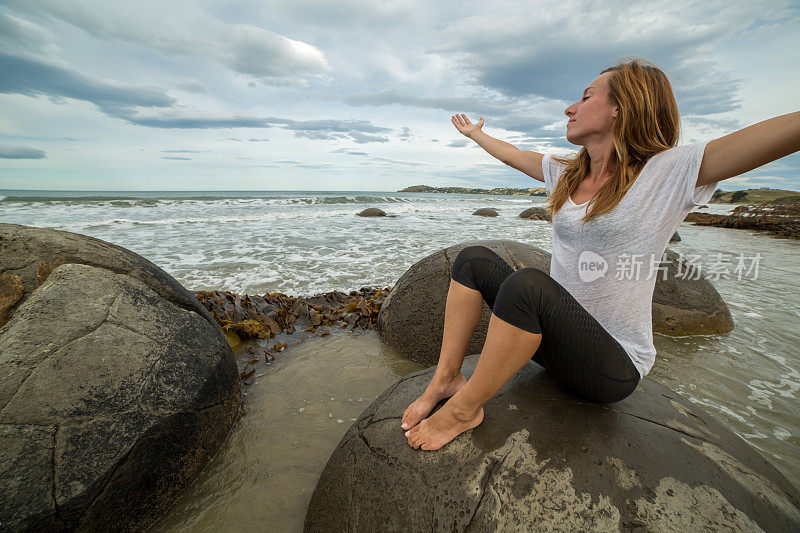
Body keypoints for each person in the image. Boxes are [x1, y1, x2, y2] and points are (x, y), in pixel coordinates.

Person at [402, 56, 800, 451]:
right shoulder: (569, 172)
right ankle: (447, 379)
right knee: (474, 259)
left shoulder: (668, 172)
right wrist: (475, 134)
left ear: (620, 109)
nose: (569, 108)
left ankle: (463, 411)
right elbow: (511, 154)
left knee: (528, 285)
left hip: (611, 367)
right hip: (554, 345)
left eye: (586, 97)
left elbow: (773, 137)